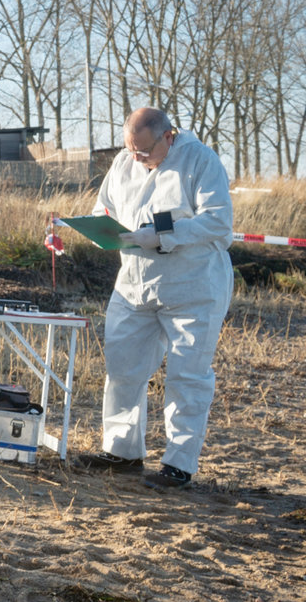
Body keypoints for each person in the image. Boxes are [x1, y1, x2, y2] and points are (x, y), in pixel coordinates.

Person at [74, 108, 234, 489]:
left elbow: (218, 221)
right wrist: (100, 226)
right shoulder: (124, 162)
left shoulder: (200, 160)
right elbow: (106, 206)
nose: (136, 158)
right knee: (123, 368)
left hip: (192, 286)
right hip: (134, 282)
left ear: (168, 137)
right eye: (130, 150)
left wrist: (163, 235)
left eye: (143, 151)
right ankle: (122, 450)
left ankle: (179, 464)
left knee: (186, 376)